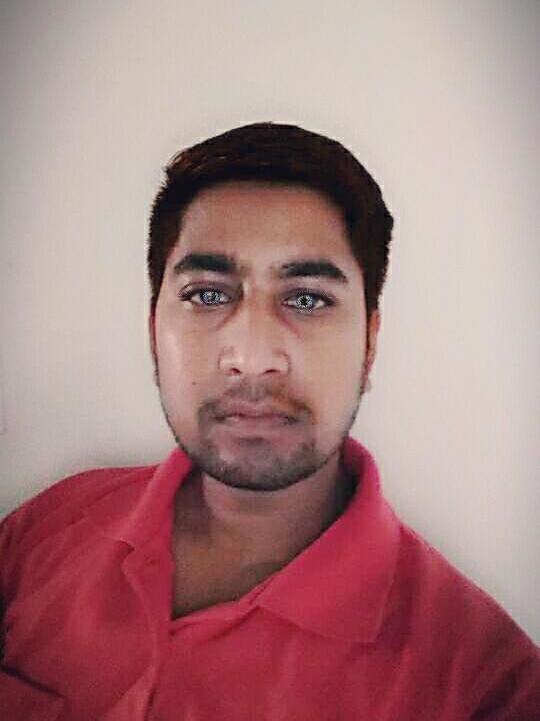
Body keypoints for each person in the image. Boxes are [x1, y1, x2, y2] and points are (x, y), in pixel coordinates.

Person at [1, 122, 538, 720]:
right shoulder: (42, 532)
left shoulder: (485, 687)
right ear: (153, 331)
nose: (252, 357)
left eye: (307, 299)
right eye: (208, 295)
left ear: (369, 345)